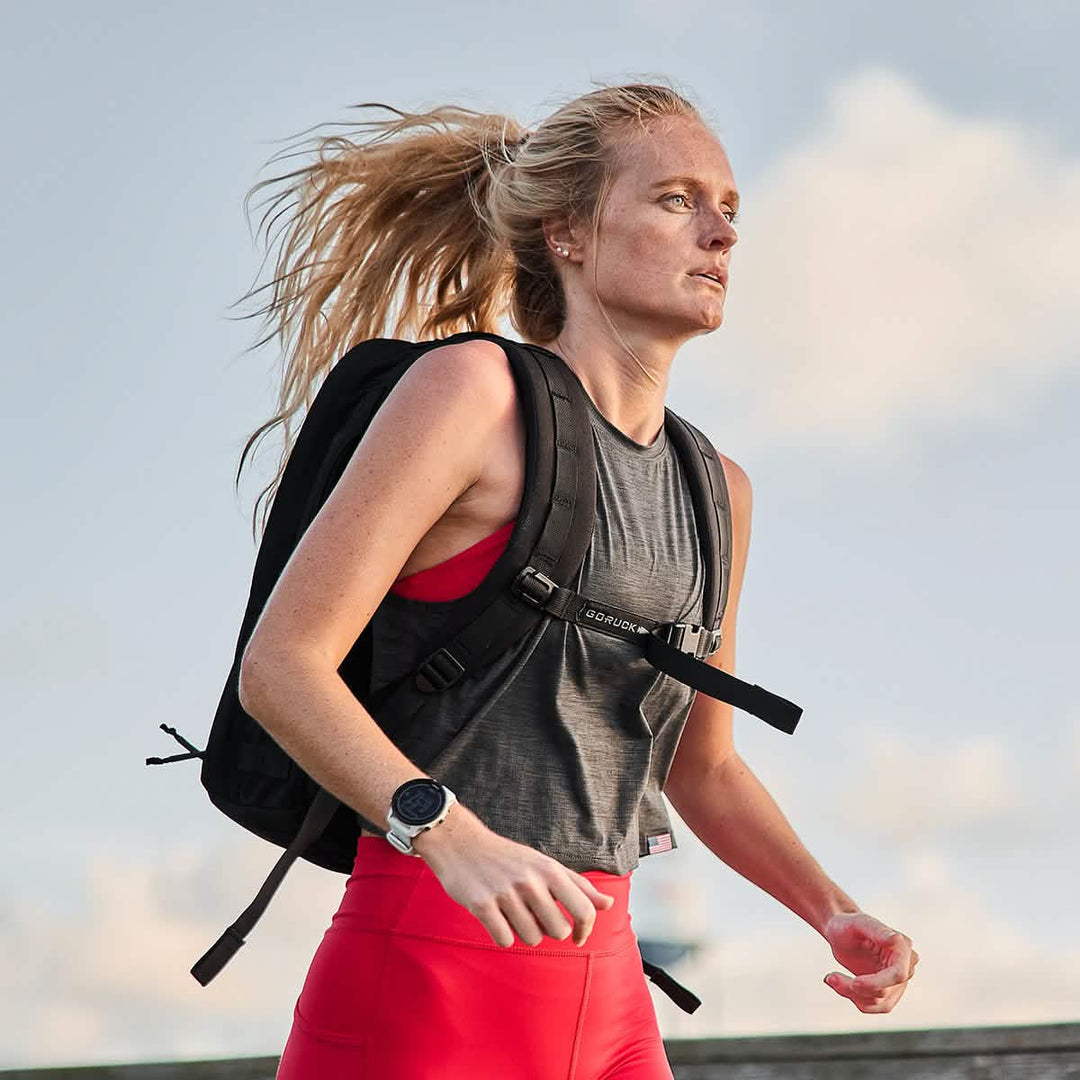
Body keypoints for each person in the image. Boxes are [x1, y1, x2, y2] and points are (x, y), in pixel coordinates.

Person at [233, 82, 919, 1079]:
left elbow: (703, 767)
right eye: (678, 200)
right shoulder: (471, 395)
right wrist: (445, 832)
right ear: (571, 234)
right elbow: (282, 667)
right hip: (428, 971)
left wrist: (831, 909)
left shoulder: (717, 488)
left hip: (606, 990)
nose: (721, 233)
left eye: (731, 208)